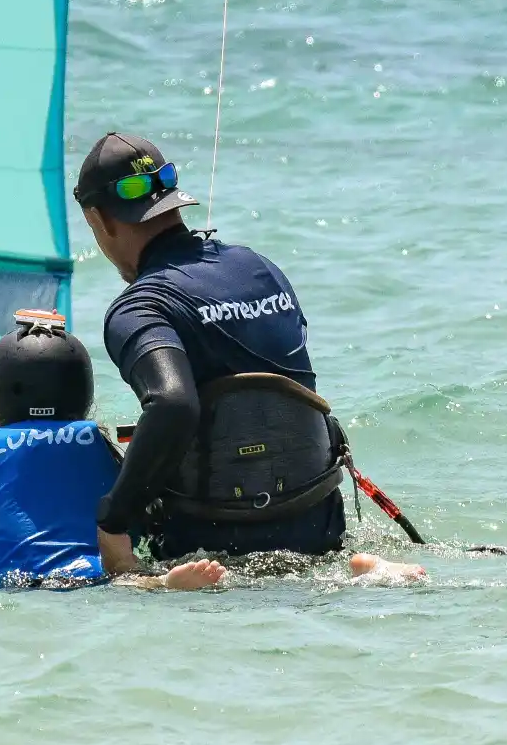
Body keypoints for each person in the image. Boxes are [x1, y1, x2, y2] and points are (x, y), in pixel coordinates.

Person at [73, 131, 424, 582]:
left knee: (128, 583)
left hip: (207, 542)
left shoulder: (141, 306)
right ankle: (359, 566)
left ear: (98, 219)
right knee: (315, 571)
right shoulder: (260, 269)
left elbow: (173, 404)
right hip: (316, 522)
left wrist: (114, 520)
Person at [0, 310, 228, 591]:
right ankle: (153, 583)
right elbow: (151, 530)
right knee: (125, 578)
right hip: (95, 578)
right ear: (83, 399)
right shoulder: (114, 463)